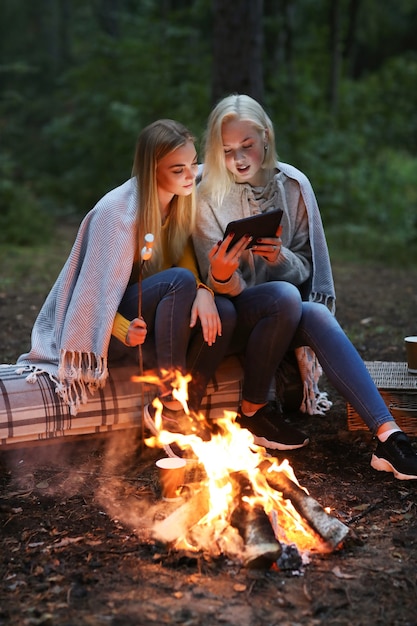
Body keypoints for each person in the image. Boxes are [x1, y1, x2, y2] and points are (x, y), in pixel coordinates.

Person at [192, 94, 417, 480]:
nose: (239, 159)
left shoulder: (293, 186)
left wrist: (278, 258)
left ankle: (389, 438)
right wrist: (224, 273)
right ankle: (253, 411)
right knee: (282, 296)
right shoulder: (204, 193)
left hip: (285, 311)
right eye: (227, 151)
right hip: (229, 319)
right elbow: (215, 292)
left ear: (266, 137)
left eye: (247, 146)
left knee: (308, 308)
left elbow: (308, 274)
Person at [17, 119, 236, 455]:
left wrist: (205, 292)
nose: (192, 175)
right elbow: (91, 294)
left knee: (224, 311)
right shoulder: (117, 212)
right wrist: (120, 329)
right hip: (110, 336)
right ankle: (169, 403)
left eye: (193, 164)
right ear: (152, 171)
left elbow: (186, 259)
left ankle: (182, 407)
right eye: (179, 169)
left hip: (156, 322)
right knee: (177, 283)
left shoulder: (182, 200)